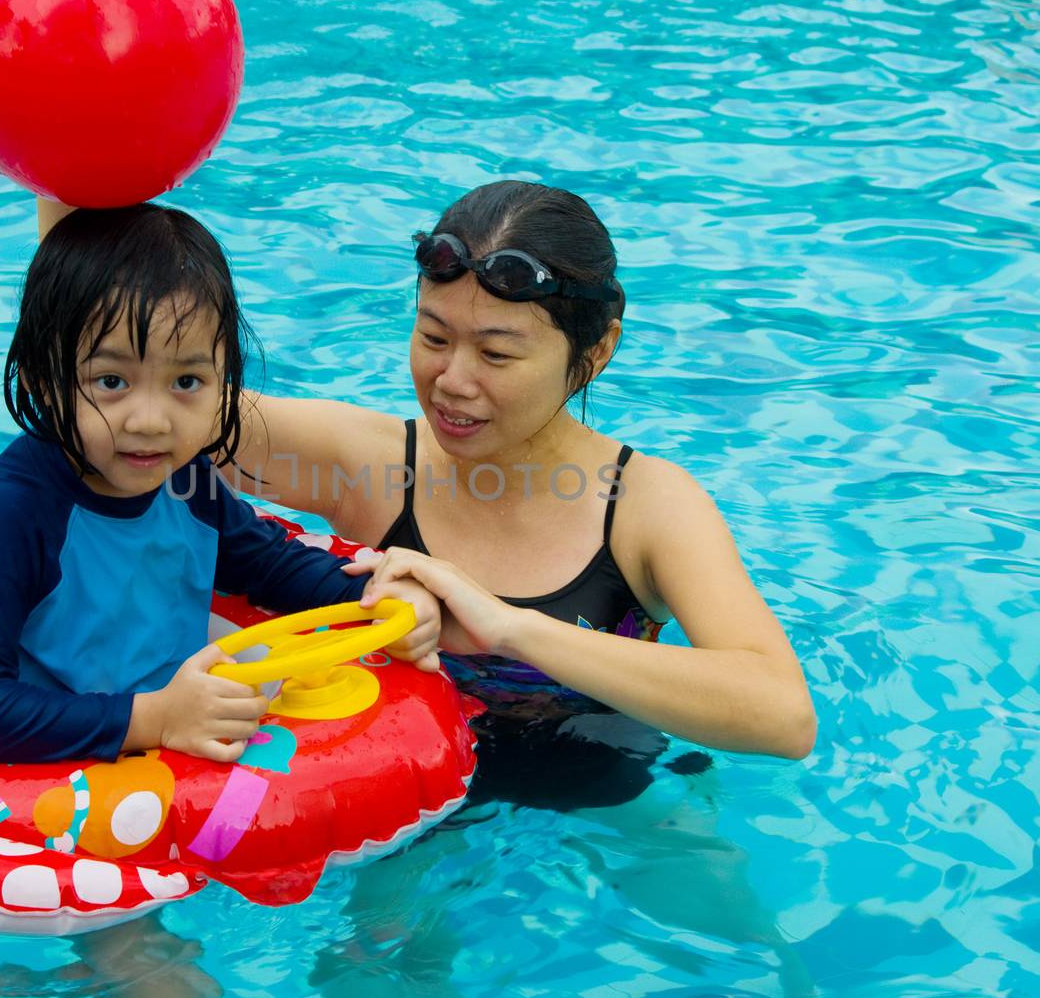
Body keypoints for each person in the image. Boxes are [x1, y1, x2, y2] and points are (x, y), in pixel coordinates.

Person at [229, 181, 817, 808]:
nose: (452, 380)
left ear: (595, 353)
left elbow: (783, 716)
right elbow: (156, 404)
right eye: (433, 338)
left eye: (497, 354)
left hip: (609, 796)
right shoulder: (368, 465)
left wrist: (509, 628)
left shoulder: (645, 506)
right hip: (399, 802)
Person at [0, 204, 439, 765]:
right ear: (43, 383)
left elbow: (268, 567)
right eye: (111, 380)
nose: (150, 420)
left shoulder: (188, 480)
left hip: (178, 733)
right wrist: (155, 718)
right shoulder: (11, 513)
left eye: (187, 381)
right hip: (57, 764)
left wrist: (376, 601)